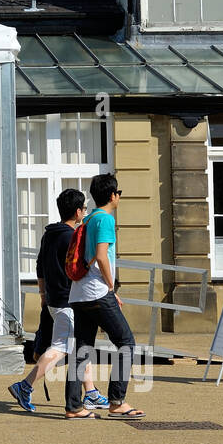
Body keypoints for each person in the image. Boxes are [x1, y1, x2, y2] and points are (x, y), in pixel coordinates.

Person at [7, 189, 108, 413]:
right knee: (63, 347)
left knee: (78, 346)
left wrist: (43, 296)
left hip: (54, 299)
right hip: (67, 301)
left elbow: (39, 266)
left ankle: (90, 392)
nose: (85, 212)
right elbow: (79, 268)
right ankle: (25, 385)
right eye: (83, 209)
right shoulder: (71, 236)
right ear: (78, 212)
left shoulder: (50, 234)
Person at [66, 172, 145, 419]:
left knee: (82, 349)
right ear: (112, 195)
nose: (119, 197)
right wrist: (111, 287)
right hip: (98, 291)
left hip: (79, 292)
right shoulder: (106, 220)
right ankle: (117, 401)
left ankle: (73, 407)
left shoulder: (88, 219)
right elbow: (101, 256)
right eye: (118, 193)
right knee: (126, 343)